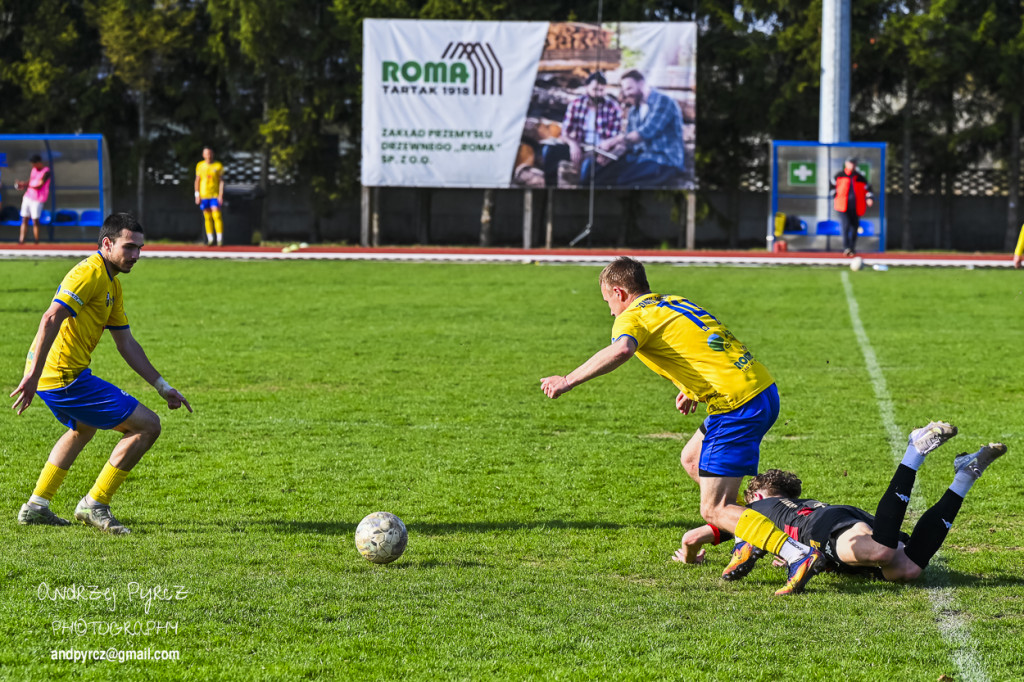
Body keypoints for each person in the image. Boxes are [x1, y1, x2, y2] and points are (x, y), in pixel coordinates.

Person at [540, 256, 824, 596]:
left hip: (736, 404)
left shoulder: (632, 317)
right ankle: (751, 537)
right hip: (759, 388)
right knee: (692, 459)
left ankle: (796, 551)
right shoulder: (672, 302)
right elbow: (702, 344)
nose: (611, 312)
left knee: (714, 508)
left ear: (619, 292)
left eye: (609, 303)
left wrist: (568, 380)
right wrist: (691, 389)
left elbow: (623, 349)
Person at [10, 213, 192, 534]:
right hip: (64, 376)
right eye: (129, 247)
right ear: (107, 244)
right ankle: (95, 503)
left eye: (140, 248)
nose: (136, 255)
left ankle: (37, 505)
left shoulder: (112, 284)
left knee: (84, 428)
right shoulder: (89, 273)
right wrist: (33, 375)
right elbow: (51, 317)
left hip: (59, 375)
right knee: (147, 426)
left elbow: (126, 342)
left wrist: (162, 386)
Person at [675, 422, 1006, 583]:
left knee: (882, 552)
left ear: (757, 496)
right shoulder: (798, 503)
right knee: (907, 570)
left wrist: (691, 557)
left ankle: (914, 452)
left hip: (826, 529)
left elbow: (692, 537)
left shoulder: (751, 515)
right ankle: (966, 474)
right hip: (843, 520)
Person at [593, 70, 687, 188]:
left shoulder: (663, 102)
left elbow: (645, 133)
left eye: (629, 88)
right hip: (641, 159)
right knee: (600, 174)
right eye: (624, 89)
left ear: (642, 83)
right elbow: (628, 142)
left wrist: (612, 141)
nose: (626, 93)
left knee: (623, 181)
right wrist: (611, 155)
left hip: (663, 161)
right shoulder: (634, 110)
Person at [542, 72, 623, 187]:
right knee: (549, 151)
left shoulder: (613, 107)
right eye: (595, 89)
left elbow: (615, 137)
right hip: (580, 146)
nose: (598, 94)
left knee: (587, 167)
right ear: (586, 87)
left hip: (600, 151)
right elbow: (566, 131)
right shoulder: (576, 104)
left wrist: (601, 150)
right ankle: (550, 190)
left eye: (602, 90)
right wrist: (573, 145)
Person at [830, 157, 874, 256]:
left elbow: (868, 189)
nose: (852, 165)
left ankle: (852, 248)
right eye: (850, 163)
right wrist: (835, 195)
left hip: (856, 206)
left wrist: (869, 198)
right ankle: (846, 247)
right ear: (846, 164)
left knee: (854, 227)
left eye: (854, 163)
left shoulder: (860, 177)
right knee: (845, 225)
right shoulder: (839, 175)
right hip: (842, 206)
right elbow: (832, 186)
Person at [16, 154, 52, 245]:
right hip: (28, 197)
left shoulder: (46, 171)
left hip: (38, 199)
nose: (33, 166)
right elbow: (30, 181)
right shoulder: (33, 170)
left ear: (39, 163)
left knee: (35, 220)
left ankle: (36, 241)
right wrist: (22, 184)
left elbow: (39, 185)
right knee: (24, 218)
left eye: (34, 164)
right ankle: (21, 240)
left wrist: (25, 185)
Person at [194, 146, 225, 246]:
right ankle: (210, 239)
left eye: (210, 153)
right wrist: (197, 194)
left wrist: (221, 194)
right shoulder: (200, 166)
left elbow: (221, 181)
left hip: (214, 195)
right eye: (206, 153)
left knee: (216, 216)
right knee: (207, 217)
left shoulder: (218, 166)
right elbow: (197, 181)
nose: (208, 155)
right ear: (203, 155)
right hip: (204, 195)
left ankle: (219, 239)